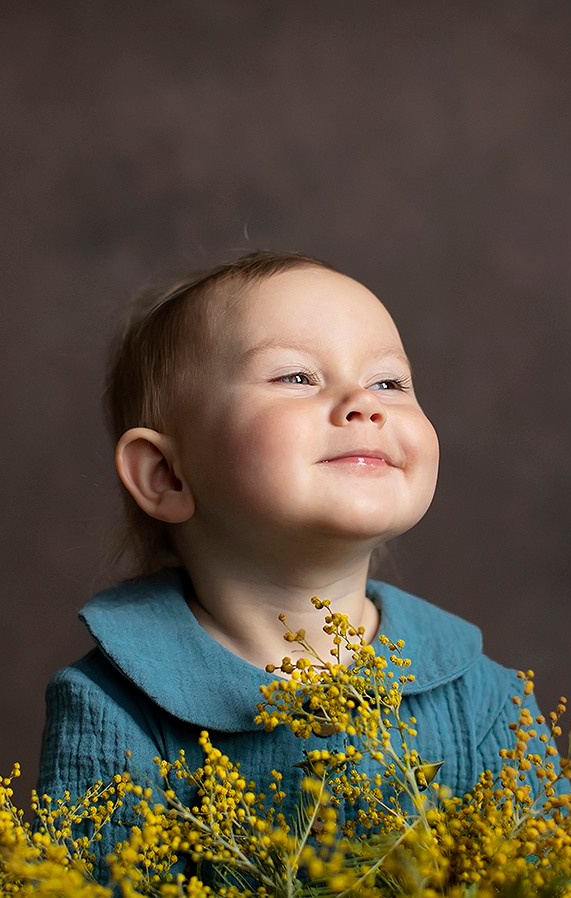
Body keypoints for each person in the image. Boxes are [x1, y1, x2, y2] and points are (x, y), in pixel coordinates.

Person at [38, 250, 545, 872]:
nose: (364, 402)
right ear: (166, 473)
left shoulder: (486, 701)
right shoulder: (115, 707)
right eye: (296, 377)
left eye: (389, 382)